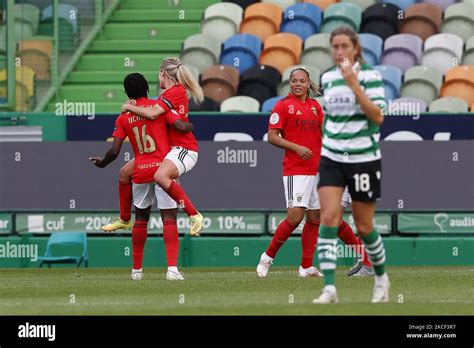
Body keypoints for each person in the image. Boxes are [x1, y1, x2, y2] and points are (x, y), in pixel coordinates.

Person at [256, 67, 372, 278]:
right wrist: (296, 148)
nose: (297, 84)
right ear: (289, 83)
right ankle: (267, 258)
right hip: (296, 170)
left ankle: (306, 266)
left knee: (316, 217)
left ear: (308, 83)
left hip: (317, 170)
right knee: (294, 217)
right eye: (293, 81)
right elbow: (272, 136)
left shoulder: (315, 108)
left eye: (301, 80)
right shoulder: (282, 106)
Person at [313, 27, 390, 304]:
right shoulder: (329, 78)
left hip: (363, 157)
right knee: (329, 217)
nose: (339, 52)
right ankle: (330, 288)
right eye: (335, 47)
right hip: (333, 156)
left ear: (355, 48)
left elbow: (377, 116)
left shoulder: (370, 76)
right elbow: (330, 118)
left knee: (364, 225)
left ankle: (381, 278)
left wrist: (355, 85)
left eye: (344, 46)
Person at [90, 73, 190, 281]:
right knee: (169, 218)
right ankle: (172, 269)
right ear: (147, 88)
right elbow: (180, 126)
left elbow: (114, 151)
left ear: (127, 93)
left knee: (141, 220)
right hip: (163, 168)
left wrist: (102, 163)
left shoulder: (124, 116)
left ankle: (136, 271)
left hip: (141, 170)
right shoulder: (158, 107)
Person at [102, 57, 205, 236]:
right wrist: (135, 105)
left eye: (158, 74)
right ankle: (124, 219)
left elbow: (152, 114)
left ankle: (194, 214)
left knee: (160, 176)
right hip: (168, 151)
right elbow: (173, 120)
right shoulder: (172, 94)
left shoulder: (171, 93)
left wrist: (129, 106)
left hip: (182, 149)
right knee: (125, 173)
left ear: (163, 73)